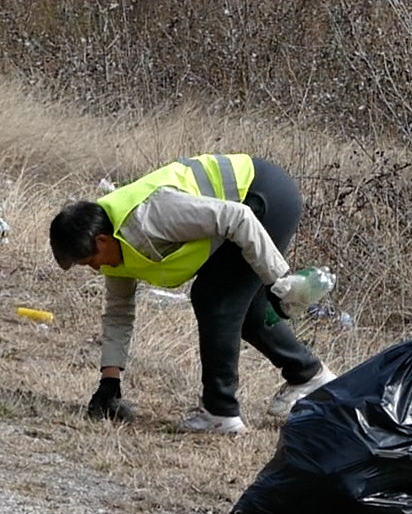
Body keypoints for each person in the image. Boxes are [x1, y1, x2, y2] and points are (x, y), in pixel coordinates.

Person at [48, 154, 335, 435]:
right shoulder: (114, 251)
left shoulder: (151, 216)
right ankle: (309, 376)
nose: (94, 269)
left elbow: (237, 217)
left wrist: (281, 282)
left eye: (90, 262)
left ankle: (219, 412)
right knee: (244, 309)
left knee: (215, 298)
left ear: (101, 240)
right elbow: (118, 312)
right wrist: (109, 382)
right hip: (245, 209)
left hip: (263, 195)